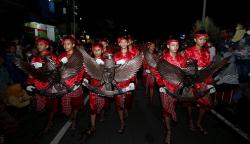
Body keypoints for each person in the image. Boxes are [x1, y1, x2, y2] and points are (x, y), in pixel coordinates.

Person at [156, 37, 186, 144]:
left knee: (172, 106)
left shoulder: (182, 59)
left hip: (177, 89)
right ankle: (168, 131)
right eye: (173, 45)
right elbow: (157, 73)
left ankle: (168, 118)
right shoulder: (163, 59)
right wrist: (161, 85)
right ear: (168, 46)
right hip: (166, 88)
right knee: (166, 110)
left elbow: (184, 74)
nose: (175, 47)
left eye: (177, 45)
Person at [26, 37, 59, 132]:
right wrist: (29, 83)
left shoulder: (52, 57)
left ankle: (50, 122)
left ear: (47, 46)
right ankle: (48, 118)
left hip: (49, 85)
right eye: (38, 45)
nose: (39, 46)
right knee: (40, 107)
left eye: (41, 44)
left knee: (50, 105)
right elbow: (31, 73)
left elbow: (56, 71)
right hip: (38, 85)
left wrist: (44, 66)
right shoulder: (35, 58)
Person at [183, 30, 213, 135]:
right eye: (201, 39)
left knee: (205, 103)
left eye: (205, 39)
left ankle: (199, 122)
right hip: (192, 81)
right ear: (195, 39)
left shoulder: (207, 52)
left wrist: (210, 82)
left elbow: (209, 68)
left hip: (203, 81)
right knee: (189, 102)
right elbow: (185, 67)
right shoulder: (188, 51)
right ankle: (190, 119)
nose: (203, 41)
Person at [58, 35, 85, 129]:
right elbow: (58, 71)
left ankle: (74, 119)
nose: (65, 46)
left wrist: (78, 81)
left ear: (73, 45)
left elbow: (81, 70)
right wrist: (62, 64)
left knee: (75, 104)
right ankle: (71, 116)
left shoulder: (78, 56)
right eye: (64, 44)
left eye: (68, 44)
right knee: (65, 107)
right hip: (64, 84)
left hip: (74, 84)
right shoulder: (61, 56)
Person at [84, 43, 109, 136]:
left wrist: (103, 66)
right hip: (93, 87)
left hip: (103, 87)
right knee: (92, 106)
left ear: (102, 51)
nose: (96, 52)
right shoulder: (90, 61)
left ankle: (102, 114)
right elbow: (87, 72)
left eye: (98, 50)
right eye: (94, 50)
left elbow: (110, 75)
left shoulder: (106, 61)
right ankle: (93, 126)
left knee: (103, 104)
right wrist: (86, 79)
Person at [113, 37, 135, 133]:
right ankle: (122, 123)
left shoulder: (132, 55)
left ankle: (126, 108)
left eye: (125, 42)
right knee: (118, 104)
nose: (123, 44)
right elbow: (111, 70)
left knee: (127, 102)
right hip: (118, 82)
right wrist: (116, 66)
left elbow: (134, 70)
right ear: (119, 44)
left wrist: (132, 82)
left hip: (129, 82)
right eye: (121, 42)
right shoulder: (115, 56)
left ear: (127, 43)